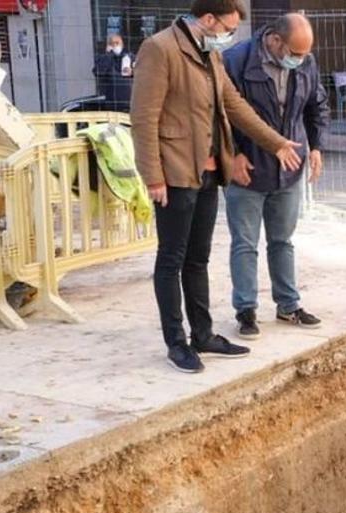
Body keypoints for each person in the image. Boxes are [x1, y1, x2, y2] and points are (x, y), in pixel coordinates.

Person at [131, 0, 303, 374]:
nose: (229, 36)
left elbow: (235, 105)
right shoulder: (160, 49)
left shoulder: (210, 54)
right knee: (171, 259)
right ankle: (176, 343)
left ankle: (203, 334)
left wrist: (276, 142)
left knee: (198, 258)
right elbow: (143, 117)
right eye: (227, 28)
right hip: (175, 173)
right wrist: (153, 176)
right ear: (208, 19)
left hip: (209, 171)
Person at [223, 13, 328, 340]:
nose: (301, 60)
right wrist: (233, 154)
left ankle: (288, 304)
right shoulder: (237, 60)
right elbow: (219, 113)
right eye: (295, 53)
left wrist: (316, 147)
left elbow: (316, 105)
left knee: (282, 241)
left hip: (289, 168)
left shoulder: (306, 62)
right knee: (245, 243)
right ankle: (246, 310)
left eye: (305, 54)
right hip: (248, 168)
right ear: (275, 40)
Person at [93, 34, 135, 112]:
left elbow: (144, 73)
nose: (115, 46)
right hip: (113, 104)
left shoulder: (131, 57)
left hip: (130, 103)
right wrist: (108, 54)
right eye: (112, 44)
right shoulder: (105, 58)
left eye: (117, 43)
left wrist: (132, 72)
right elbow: (98, 72)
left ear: (122, 44)